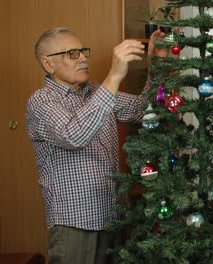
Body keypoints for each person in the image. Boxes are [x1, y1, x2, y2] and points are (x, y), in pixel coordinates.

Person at [25, 27, 166, 264]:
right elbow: (74, 135)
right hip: (75, 223)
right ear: (48, 64)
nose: (82, 58)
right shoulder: (41, 101)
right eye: (71, 53)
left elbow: (145, 111)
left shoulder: (97, 92)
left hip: (114, 216)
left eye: (82, 51)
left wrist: (157, 66)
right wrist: (114, 75)